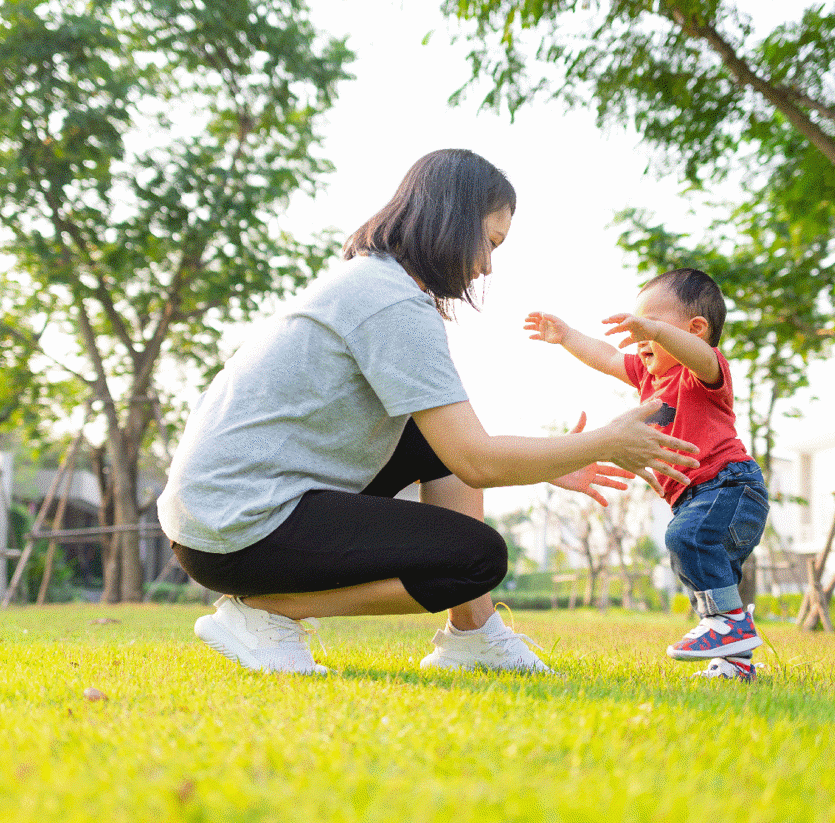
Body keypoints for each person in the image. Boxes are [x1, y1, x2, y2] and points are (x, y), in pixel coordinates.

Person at [157, 149, 699, 676]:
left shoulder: (374, 281)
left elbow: (453, 444)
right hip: (237, 526)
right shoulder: (391, 302)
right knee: (472, 559)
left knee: (424, 436)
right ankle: (265, 616)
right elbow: (476, 460)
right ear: (452, 220)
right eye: (488, 242)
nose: (487, 265)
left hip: (221, 514)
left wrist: (551, 462)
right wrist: (603, 440)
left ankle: (474, 634)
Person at [524, 268, 769, 682]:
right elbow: (605, 356)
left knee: (685, 540)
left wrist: (656, 330)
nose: (640, 336)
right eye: (638, 325)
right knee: (708, 573)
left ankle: (729, 627)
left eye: (651, 324)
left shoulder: (704, 372)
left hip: (728, 485)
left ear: (695, 330)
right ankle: (735, 664)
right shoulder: (648, 375)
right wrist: (566, 336)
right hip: (697, 497)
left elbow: (700, 354)